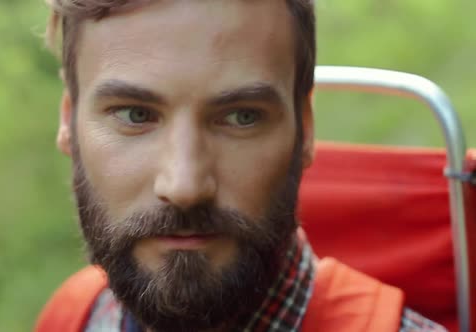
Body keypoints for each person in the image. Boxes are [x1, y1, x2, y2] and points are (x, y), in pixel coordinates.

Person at [36, 0, 447, 331]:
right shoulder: (73, 315)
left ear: (304, 130)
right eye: (135, 115)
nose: (185, 185)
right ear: (68, 122)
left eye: (241, 117)